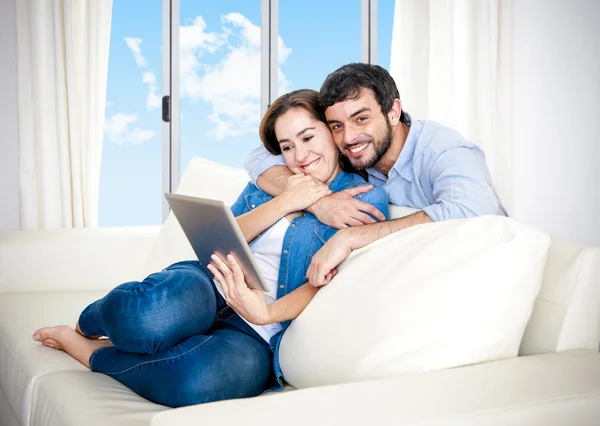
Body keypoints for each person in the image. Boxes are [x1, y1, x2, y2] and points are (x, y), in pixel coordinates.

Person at [32, 89, 389, 408]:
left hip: (259, 332)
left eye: (308, 137)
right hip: (210, 284)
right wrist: (286, 200)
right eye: (286, 147)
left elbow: (331, 281)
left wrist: (266, 313)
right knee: (146, 317)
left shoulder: (364, 198)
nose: (300, 155)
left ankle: (91, 351)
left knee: (195, 382)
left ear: (331, 130)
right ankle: (88, 321)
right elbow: (224, 237)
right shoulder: (274, 181)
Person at [245, 63, 508, 287]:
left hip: (474, 278)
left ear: (393, 112)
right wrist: (317, 202)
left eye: (361, 119)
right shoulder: (354, 152)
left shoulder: (443, 150)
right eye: (337, 125)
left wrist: (351, 237)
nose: (348, 137)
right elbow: (258, 157)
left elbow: (477, 210)